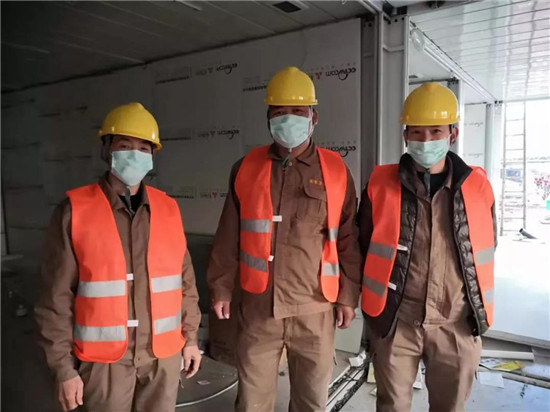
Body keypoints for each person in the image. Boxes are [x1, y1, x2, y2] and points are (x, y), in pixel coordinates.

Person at [207, 66, 363, 412]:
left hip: (315, 307)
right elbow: (228, 235)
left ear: (313, 117)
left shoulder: (336, 170)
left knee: (311, 401)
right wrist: (221, 287)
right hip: (258, 307)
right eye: (279, 112)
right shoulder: (245, 167)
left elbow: (347, 239)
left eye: (297, 111)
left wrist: (348, 296)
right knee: (252, 401)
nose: (288, 119)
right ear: (268, 118)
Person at [35, 102, 202, 412]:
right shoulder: (75, 211)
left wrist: (190, 338)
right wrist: (64, 369)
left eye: (143, 148)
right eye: (125, 145)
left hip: (162, 358)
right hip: (104, 364)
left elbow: (185, 282)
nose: (134, 155)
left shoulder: (168, 209)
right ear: (106, 149)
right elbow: (55, 298)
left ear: (152, 156)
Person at [358, 83, 497, 412]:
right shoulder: (380, 184)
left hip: (456, 324)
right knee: (391, 405)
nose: (426, 140)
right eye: (417, 132)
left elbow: (487, 246)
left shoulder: (477, 186)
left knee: (450, 407)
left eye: (436, 131)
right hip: (396, 322)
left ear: (453, 134)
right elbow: (364, 245)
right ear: (405, 135)